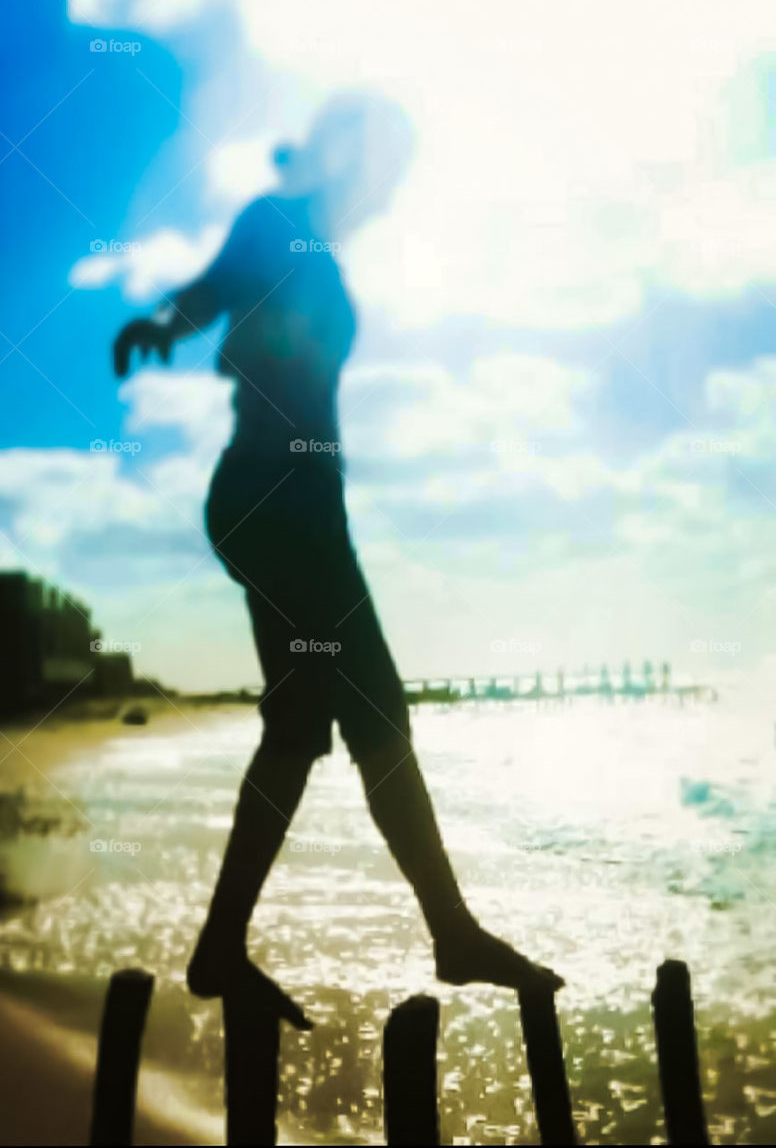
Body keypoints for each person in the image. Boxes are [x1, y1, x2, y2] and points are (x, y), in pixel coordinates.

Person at [113, 93, 563, 1027]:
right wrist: (161, 324)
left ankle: (242, 945)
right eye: (388, 170)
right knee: (350, 716)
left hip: (302, 508)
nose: (392, 193)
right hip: (277, 504)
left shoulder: (310, 243)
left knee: (324, 721)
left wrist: (175, 324)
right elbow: (209, 289)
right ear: (350, 158)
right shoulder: (280, 224)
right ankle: (444, 932)